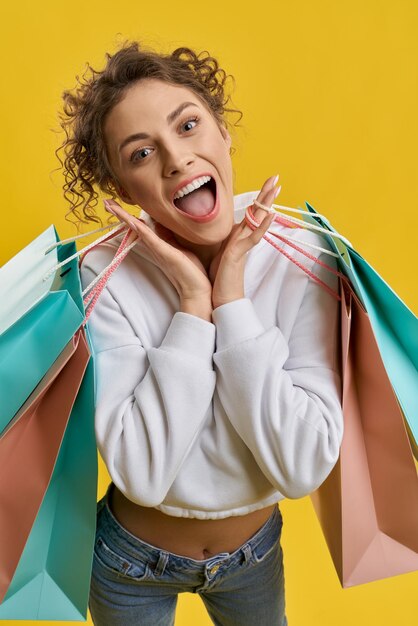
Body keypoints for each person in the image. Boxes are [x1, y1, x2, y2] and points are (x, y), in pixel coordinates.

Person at [56, 40, 344, 626]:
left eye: (189, 125)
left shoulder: (303, 252)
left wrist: (230, 295)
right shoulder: (101, 274)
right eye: (141, 153)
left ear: (223, 132)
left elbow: (303, 467)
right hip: (128, 562)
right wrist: (193, 301)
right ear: (121, 188)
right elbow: (142, 473)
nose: (177, 159)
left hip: (253, 557)